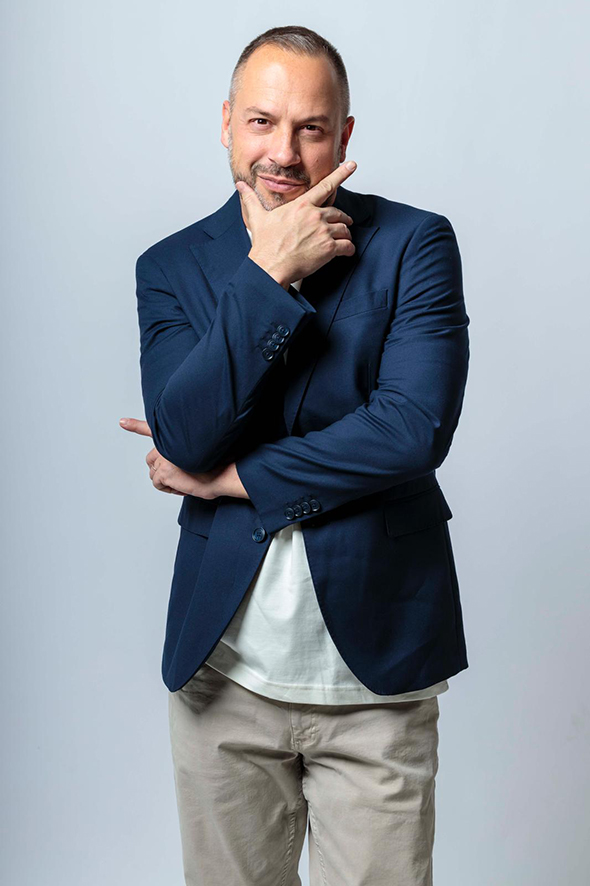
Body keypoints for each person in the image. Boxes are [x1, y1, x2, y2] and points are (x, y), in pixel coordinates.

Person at [120, 24, 470, 886]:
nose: (283, 152)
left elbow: (411, 430)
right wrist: (266, 273)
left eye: (311, 128)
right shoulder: (169, 266)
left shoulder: (415, 244)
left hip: (377, 676)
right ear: (227, 122)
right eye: (262, 122)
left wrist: (233, 478)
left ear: (343, 136)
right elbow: (185, 434)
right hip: (223, 679)